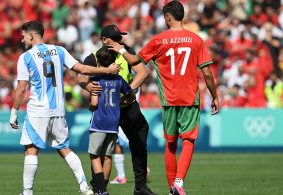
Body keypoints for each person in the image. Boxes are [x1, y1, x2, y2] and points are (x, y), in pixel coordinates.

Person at [108, 1, 219, 195]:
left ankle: (171, 187)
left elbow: (135, 60)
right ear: (181, 15)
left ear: (168, 17)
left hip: (168, 99)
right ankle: (178, 182)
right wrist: (214, 96)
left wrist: (120, 49)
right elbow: (207, 73)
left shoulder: (159, 40)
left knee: (170, 142)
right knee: (188, 141)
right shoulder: (196, 40)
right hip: (189, 97)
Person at [9, 21, 119, 195]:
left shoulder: (26, 57)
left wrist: (14, 112)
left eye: (23, 36)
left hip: (38, 110)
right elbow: (81, 68)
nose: (22, 40)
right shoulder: (59, 51)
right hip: (59, 111)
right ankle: (84, 186)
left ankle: (27, 192)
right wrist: (107, 70)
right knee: (64, 149)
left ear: (31, 35)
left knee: (31, 150)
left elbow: (22, 87)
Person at [79, 24, 157, 195]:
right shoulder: (93, 57)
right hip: (107, 109)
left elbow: (142, 73)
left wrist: (127, 91)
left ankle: (140, 187)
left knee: (139, 141)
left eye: (119, 38)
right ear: (104, 40)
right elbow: (82, 78)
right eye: (115, 39)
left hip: (127, 107)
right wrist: (89, 87)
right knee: (102, 152)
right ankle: (100, 188)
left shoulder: (126, 52)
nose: (119, 41)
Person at [88, 46, 135, 195]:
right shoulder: (119, 80)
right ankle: (104, 189)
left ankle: (100, 189)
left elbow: (94, 103)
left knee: (95, 155)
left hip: (99, 122)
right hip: (114, 122)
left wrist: (90, 107)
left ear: (99, 63)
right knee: (108, 156)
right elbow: (131, 95)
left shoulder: (96, 79)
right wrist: (124, 101)